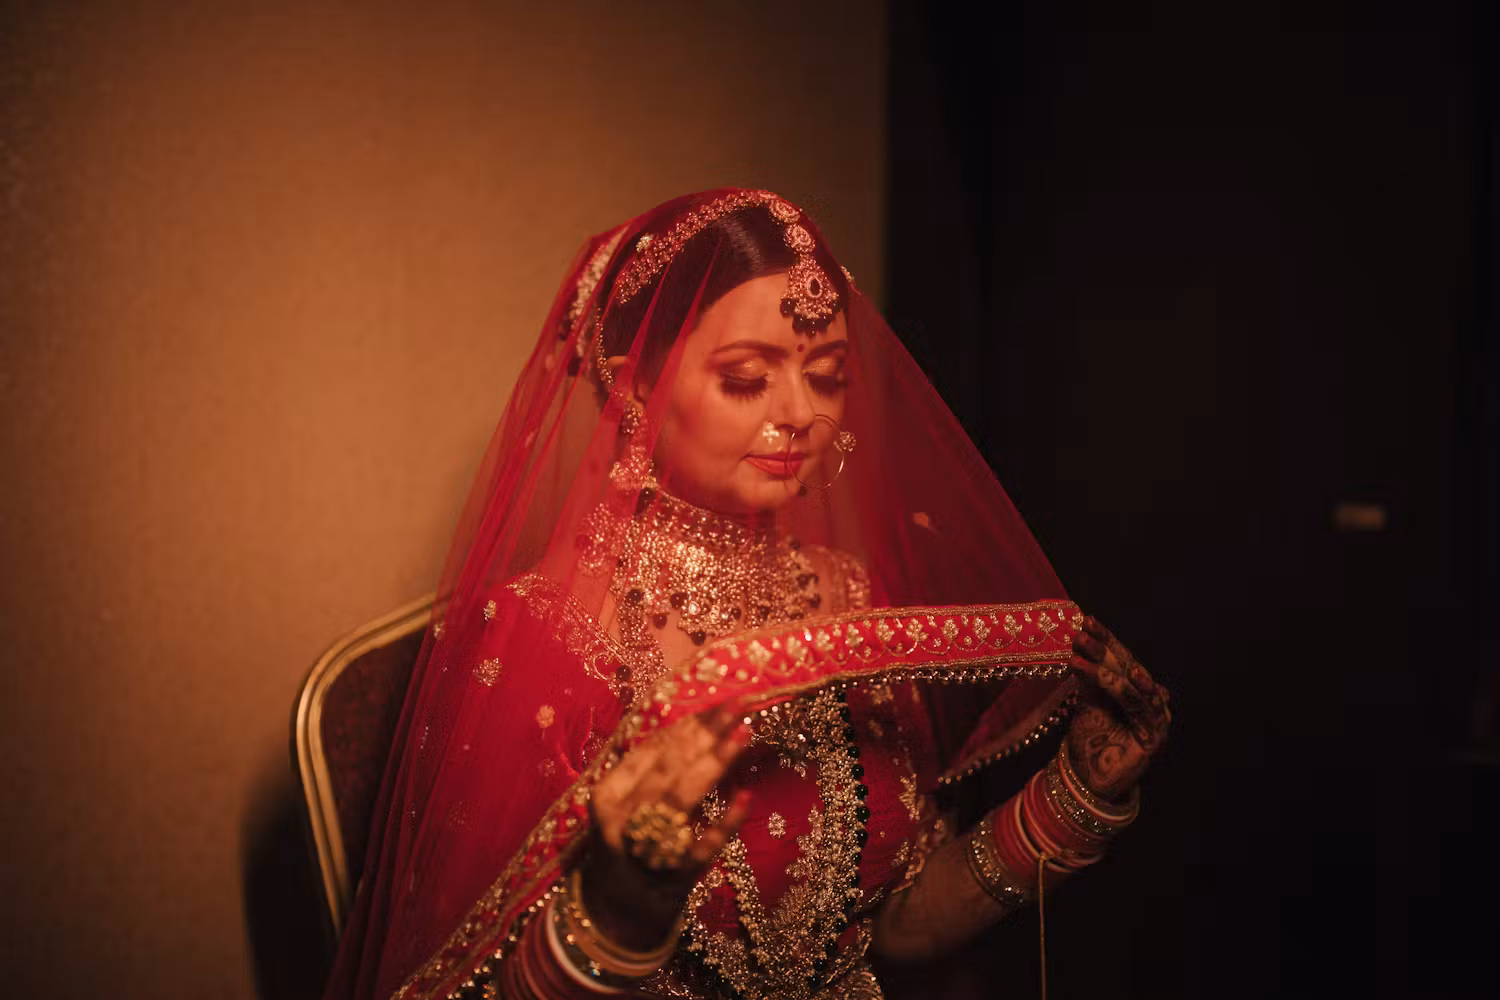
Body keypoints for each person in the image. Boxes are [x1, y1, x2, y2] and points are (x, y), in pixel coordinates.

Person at [322, 189, 1172, 1000]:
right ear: (633, 387)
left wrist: (1077, 798)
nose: (800, 412)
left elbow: (896, 929)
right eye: (744, 377)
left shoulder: (852, 602)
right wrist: (618, 912)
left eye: (828, 373)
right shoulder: (539, 640)